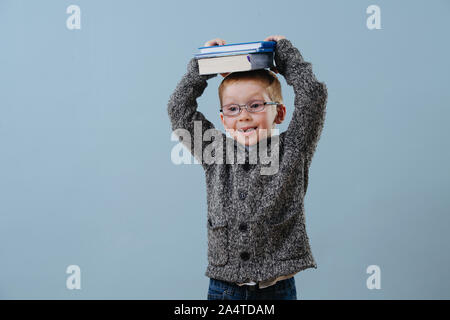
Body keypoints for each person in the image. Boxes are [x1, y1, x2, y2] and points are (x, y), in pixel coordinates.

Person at [167, 35, 328, 300]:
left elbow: (313, 95)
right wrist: (203, 65)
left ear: (279, 113)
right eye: (232, 109)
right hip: (224, 286)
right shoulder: (214, 150)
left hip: (277, 288)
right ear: (222, 118)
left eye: (255, 105)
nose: (243, 115)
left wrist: (286, 57)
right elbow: (179, 109)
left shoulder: (294, 148)